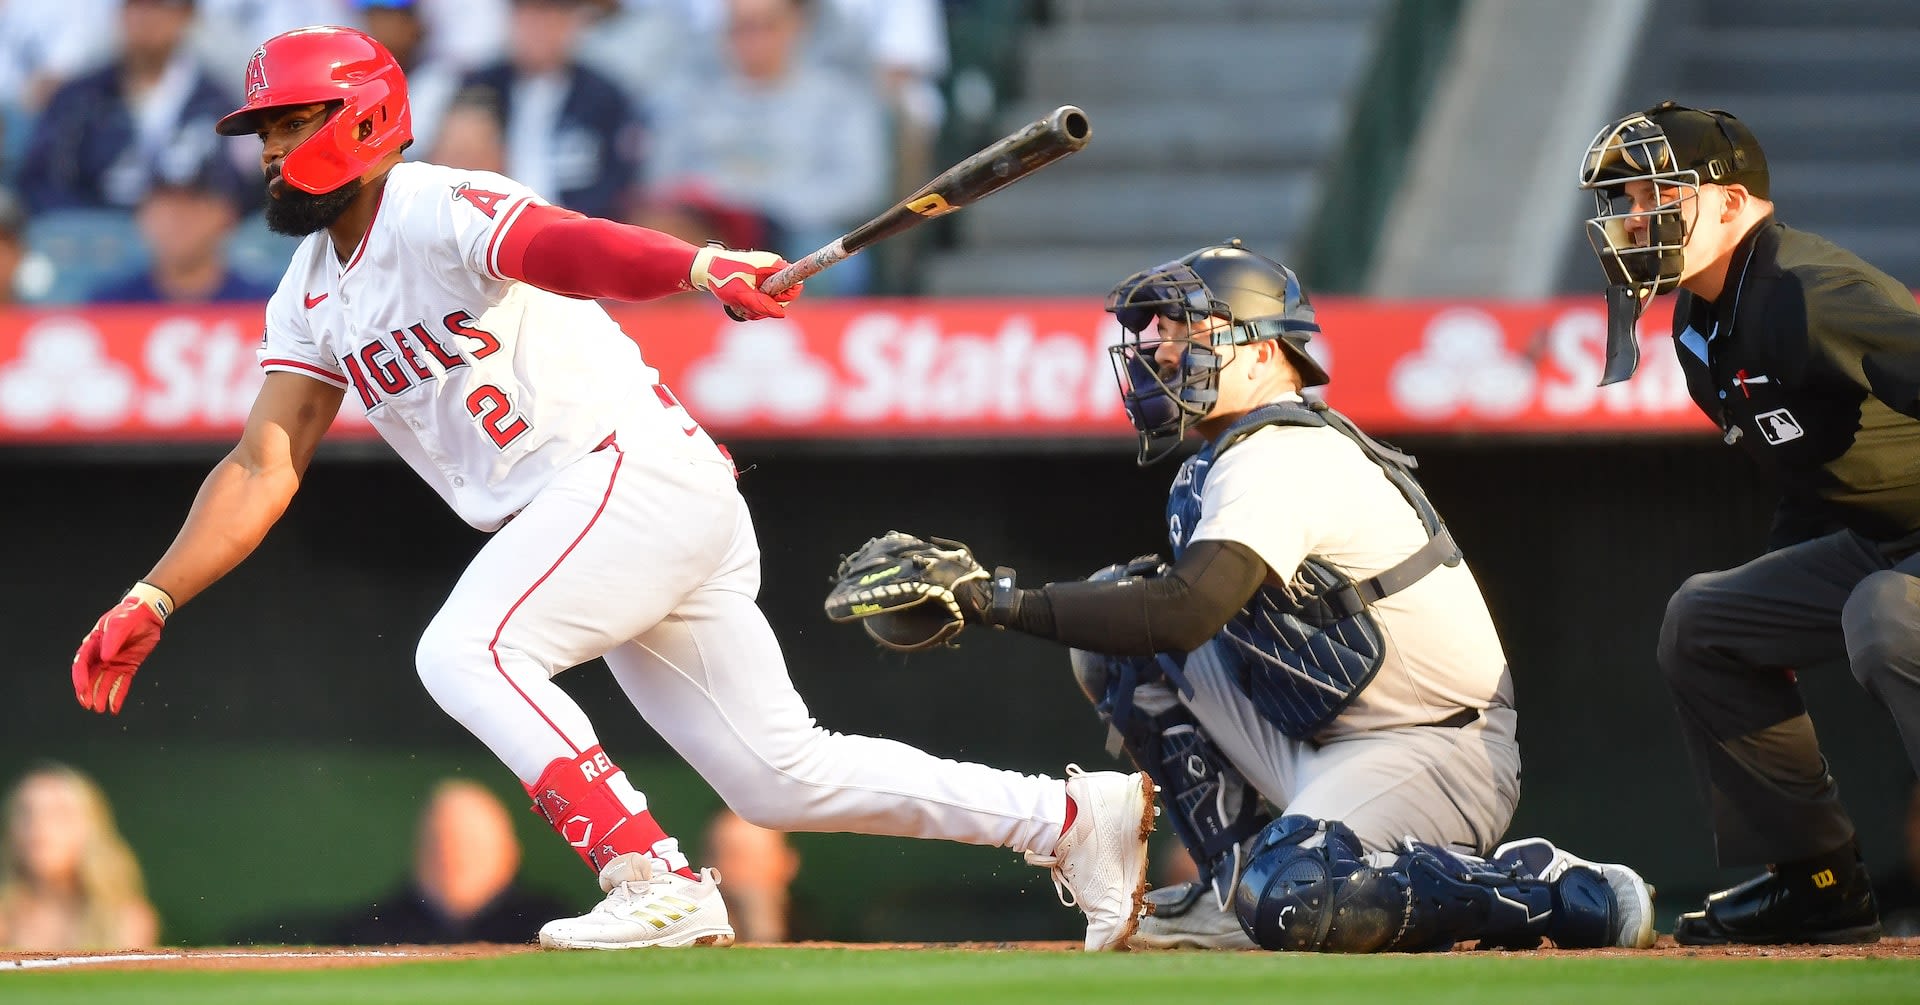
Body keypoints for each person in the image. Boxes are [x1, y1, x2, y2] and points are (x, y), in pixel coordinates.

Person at [65, 24, 1155, 954]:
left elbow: (562, 243)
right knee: (780, 779)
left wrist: (696, 268)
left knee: (467, 648)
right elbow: (264, 462)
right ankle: (1065, 817)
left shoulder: (435, 202)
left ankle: (651, 875)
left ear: (357, 119)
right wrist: (154, 594)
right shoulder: (307, 295)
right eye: (263, 129)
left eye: (291, 123)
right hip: (605, 513)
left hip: (625, 474)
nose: (268, 148)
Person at [829, 241, 1658, 953]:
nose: (1158, 348)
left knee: (1295, 891)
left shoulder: (1282, 451)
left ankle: (1544, 886)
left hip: (1434, 749)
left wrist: (993, 597)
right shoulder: (1233, 452)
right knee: (1119, 630)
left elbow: (1188, 609)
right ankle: (1235, 891)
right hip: (1322, 736)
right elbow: (1160, 616)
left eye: (1187, 330)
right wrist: (1008, 599)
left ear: (1265, 352)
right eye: (1157, 332)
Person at [1579, 100, 1920, 946]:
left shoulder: (1807, 291)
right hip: (1883, 538)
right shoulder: (1701, 324)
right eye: (1621, 201)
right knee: (1707, 621)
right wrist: (1774, 623)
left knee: (1883, 612)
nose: (1631, 219)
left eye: (1654, 195)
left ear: (1731, 203)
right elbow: (1812, 485)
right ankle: (1822, 884)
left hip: (1902, 558)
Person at [639, 0, 886, 294]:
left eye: (766, 26)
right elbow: (660, 181)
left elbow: (860, 187)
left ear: (797, 27)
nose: (753, 40)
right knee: (660, 239)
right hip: (709, 229)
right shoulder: (692, 98)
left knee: (836, 261)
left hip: (798, 229)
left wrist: (766, 208)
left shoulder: (838, 99)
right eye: (740, 28)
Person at [15, 0, 254, 215]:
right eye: (135, 6)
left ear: (186, 16)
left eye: (158, 7)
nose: (145, 19)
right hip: (97, 239)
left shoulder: (216, 101)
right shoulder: (79, 97)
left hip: (184, 237)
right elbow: (41, 180)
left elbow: (234, 191)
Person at [447, 0, 645, 220]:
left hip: (578, 223)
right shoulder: (480, 85)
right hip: (491, 220)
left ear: (572, 24)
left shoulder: (604, 96)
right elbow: (452, 162)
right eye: (529, 18)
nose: (539, 31)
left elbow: (619, 178)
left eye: (550, 19)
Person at [328, 779, 576, 945]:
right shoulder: (367, 932)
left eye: (472, 844)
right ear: (417, 851)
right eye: (439, 843)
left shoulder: (553, 927)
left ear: (510, 852)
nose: (454, 856)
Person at [0, 763, 160, 951]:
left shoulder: (125, 920)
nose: (38, 826)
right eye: (25, 813)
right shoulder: (5, 919)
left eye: (59, 813)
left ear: (91, 829)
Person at [89, 146, 277, 304]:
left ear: (227, 214)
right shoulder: (109, 306)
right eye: (165, 202)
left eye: (194, 202)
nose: (177, 217)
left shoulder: (264, 306)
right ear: (141, 214)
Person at [701, 808, 800, 943]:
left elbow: (783, 857)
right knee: (728, 935)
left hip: (759, 886)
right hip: (727, 886)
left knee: (762, 934)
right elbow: (711, 857)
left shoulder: (764, 824)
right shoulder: (725, 823)